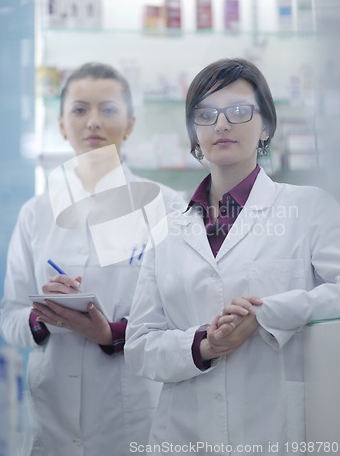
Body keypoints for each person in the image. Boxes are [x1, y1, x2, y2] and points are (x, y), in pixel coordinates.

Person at [125, 58, 340, 455]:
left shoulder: (310, 208)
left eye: (240, 111)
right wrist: (202, 346)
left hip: (273, 431)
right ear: (193, 133)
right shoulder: (167, 228)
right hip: (183, 435)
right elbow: (139, 345)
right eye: (206, 114)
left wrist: (268, 313)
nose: (221, 125)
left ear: (267, 126)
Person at [0, 62, 184, 456]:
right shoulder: (35, 213)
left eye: (109, 109)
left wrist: (112, 334)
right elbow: (9, 317)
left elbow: (185, 317)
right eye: (80, 110)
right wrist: (40, 317)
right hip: (51, 419)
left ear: (130, 124)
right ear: (62, 124)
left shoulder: (167, 206)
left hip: (133, 413)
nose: (93, 122)